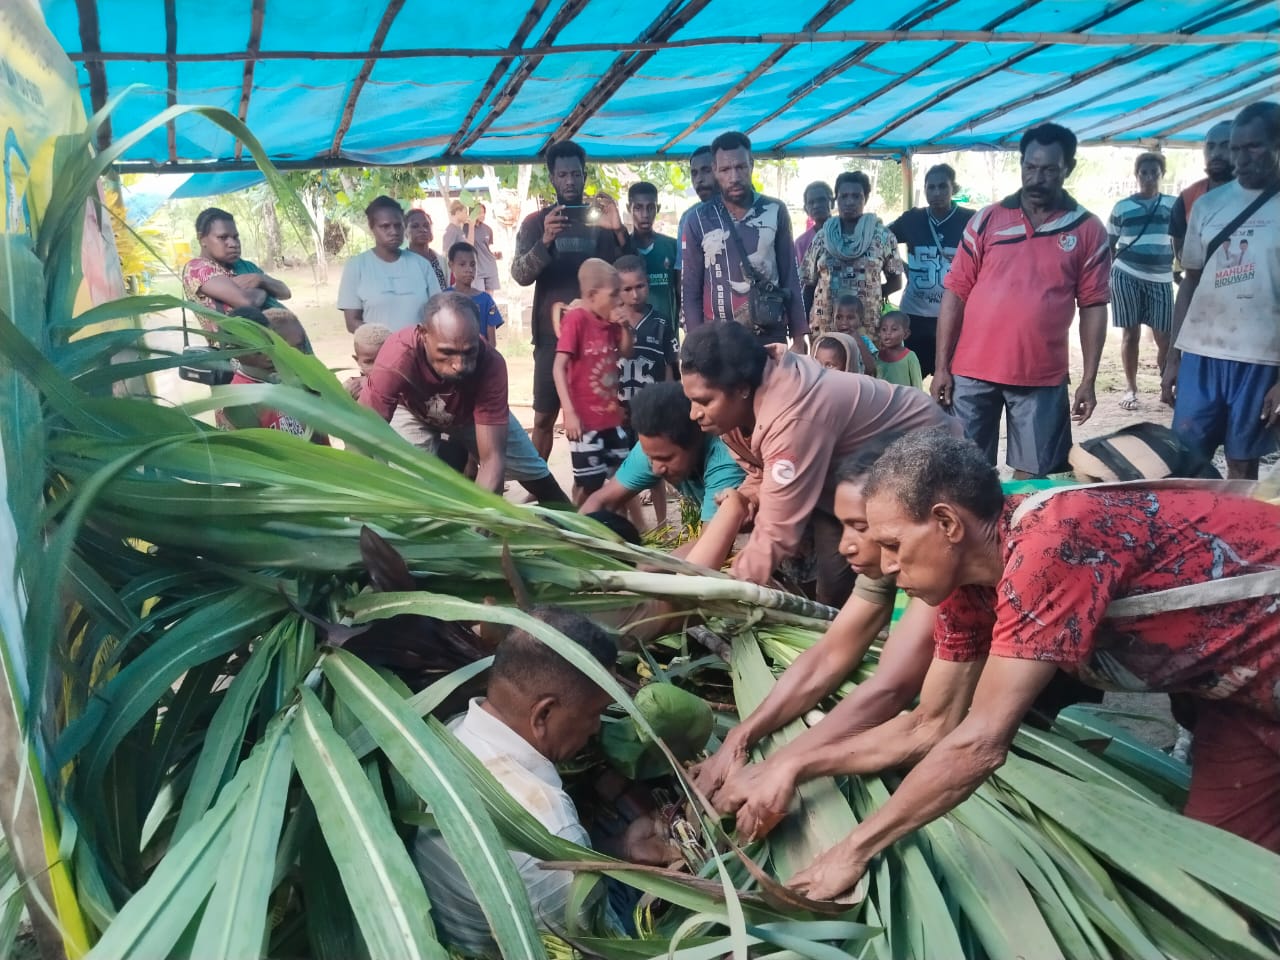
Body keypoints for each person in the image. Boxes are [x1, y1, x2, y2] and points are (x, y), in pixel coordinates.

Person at [774, 431, 1280, 902]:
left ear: (947, 523)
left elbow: (979, 743)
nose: (884, 565)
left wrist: (853, 849)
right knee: (1222, 886)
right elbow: (931, 725)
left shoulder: (1052, 543)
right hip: (1245, 701)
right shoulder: (967, 587)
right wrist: (793, 766)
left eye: (892, 545)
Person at [413, 608, 678, 956]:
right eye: (593, 713)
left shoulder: (451, 731)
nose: (597, 728)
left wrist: (618, 852)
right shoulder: (551, 832)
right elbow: (604, 945)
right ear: (544, 714)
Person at [679, 322, 956, 607]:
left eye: (703, 401)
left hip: (923, 458)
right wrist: (745, 499)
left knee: (915, 577)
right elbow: (763, 473)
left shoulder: (793, 416)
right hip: (840, 481)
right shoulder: (733, 413)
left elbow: (776, 531)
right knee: (837, 584)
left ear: (741, 389)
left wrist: (724, 597)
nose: (693, 414)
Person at [932, 122, 1111, 479]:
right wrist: (941, 367)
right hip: (971, 372)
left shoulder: (1087, 229)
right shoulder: (988, 219)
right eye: (1030, 167)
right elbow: (955, 294)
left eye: (1049, 169)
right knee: (965, 477)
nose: (1037, 178)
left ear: (1068, 169)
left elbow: (1093, 305)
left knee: (1035, 479)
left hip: (1041, 377)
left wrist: (1089, 378)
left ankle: (1020, 536)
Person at [1162, 101, 1280, 481]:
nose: (1240, 158)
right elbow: (1191, 281)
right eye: (1235, 147)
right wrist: (1174, 357)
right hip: (1201, 353)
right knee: (1186, 460)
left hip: (1262, 360)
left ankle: (1236, 537)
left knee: (1242, 463)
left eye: (1253, 147)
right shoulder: (1208, 206)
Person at [359, 292, 567, 503]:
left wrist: (484, 519)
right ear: (423, 334)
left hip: (470, 412)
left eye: (469, 352)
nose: (459, 364)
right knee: (410, 486)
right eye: (446, 352)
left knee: (534, 473)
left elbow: (492, 460)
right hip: (412, 410)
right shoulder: (398, 356)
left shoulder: (490, 364)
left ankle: (577, 524)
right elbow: (360, 432)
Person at [512, 140, 630, 461]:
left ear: (584, 175)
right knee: (543, 417)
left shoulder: (600, 220)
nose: (569, 181)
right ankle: (541, 491)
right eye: (562, 175)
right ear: (551, 178)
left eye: (575, 174)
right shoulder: (536, 223)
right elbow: (520, 274)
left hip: (599, 336)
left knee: (604, 411)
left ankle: (602, 485)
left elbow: (627, 270)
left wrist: (618, 229)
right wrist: (545, 241)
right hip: (552, 337)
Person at [681, 132, 808, 352]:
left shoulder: (774, 210)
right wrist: (695, 344)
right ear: (715, 171)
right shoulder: (698, 220)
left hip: (770, 335)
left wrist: (798, 336)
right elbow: (690, 288)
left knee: (773, 387)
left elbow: (790, 274)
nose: (734, 177)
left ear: (752, 164)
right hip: (719, 340)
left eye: (740, 167)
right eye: (725, 170)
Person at [581, 381, 745, 525]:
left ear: (695, 438)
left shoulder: (725, 459)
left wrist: (637, 562)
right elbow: (601, 501)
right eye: (650, 457)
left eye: (666, 458)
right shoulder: (655, 446)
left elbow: (709, 547)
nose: (656, 468)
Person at [554, 259, 635, 503]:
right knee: (588, 483)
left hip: (611, 418)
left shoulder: (610, 323)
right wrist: (569, 413)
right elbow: (559, 368)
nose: (617, 301)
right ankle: (580, 528)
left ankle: (616, 530)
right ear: (591, 295)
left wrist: (626, 328)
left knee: (621, 482)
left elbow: (626, 352)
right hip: (585, 422)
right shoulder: (577, 320)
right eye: (612, 295)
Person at [888, 164, 975, 377]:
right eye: (931, 187)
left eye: (943, 187)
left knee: (951, 383)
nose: (936, 193)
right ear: (924, 189)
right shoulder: (912, 219)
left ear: (953, 188)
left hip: (954, 316)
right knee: (909, 380)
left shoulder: (970, 219)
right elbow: (880, 240)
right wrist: (901, 265)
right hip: (913, 317)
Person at [1107, 152, 1176, 410]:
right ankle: (1131, 389)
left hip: (1161, 278)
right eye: (1143, 173)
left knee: (1165, 337)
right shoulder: (1122, 207)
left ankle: (1165, 385)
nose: (1148, 178)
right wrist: (1106, 278)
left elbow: (1183, 239)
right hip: (1127, 275)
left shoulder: (1173, 204)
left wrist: (1181, 268)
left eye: (1153, 173)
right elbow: (1108, 244)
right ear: (1136, 176)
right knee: (1130, 333)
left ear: (1162, 175)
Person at [801, 171, 903, 342]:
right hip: (825, 326)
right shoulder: (822, 237)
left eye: (856, 196)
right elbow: (810, 285)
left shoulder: (882, 237)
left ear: (866, 199)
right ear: (836, 200)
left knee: (865, 368)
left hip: (866, 328)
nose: (849, 202)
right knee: (825, 367)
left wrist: (867, 296)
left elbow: (896, 282)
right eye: (844, 196)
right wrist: (802, 325)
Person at [222, 306, 328, 444]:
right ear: (234, 351)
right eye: (257, 349)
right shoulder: (240, 403)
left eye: (270, 343)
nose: (268, 355)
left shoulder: (292, 380)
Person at [338, 196, 443, 334]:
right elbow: (352, 323)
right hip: (378, 353)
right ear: (372, 228)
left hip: (418, 351)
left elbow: (437, 313)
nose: (393, 231)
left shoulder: (422, 265)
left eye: (398, 225)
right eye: (385, 226)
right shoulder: (356, 266)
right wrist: (390, 343)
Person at [181, 207, 296, 332]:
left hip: (277, 343)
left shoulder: (245, 266)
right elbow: (248, 302)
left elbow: (285, 292)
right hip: (241, 348)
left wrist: (259, 279)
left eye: (235, 237)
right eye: (223, 237)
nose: (233, 243)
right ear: (202, 238)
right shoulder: (197, 268)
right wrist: (264, 290)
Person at [1170, 120, 1235, 263]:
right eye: (1210, 147)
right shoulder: (1188, 198)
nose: (1216, 154)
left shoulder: (1264, 195)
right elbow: (1181, 253)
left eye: (1226, 146)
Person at [627, 182, 680, 327]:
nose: (645, 215)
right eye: (638, 208)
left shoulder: (672, 246)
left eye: (650, 208)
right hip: (634, 335)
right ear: (628, 208)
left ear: (658, 208)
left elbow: (680, 291)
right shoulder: (624, 248)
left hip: (667, 333)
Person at [448, 241, 503, 346]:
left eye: (473, 264)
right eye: (462, 264)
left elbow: (492, 343)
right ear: (451, 265)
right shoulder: (444, 299)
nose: (469, 269)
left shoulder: (486, 300)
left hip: (480, 358)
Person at [677, 145, 718, 270]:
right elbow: (683, 270)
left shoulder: (747, 212)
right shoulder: (689, 218)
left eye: (706, 170)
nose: (699, 179)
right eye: (694, 173)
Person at [344, 322, 392, 401]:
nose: (376, 367)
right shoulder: (351, 388)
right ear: (357, 360)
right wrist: (347, 401)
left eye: (383, 359)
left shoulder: (405, 383)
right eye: (369, 362)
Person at [875, 312, 923, 389]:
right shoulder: (877, 357)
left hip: (905, 400)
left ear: (906, 334)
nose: (888, 333)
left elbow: (917, 385)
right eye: (884, 329)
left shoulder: (910, 357)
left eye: (894, 329)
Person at [406, 208, 448, 290]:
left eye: (426, 225)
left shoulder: (442, 262)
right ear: (405, 231)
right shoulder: (400, 262)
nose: (422, 230)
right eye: (415, 226)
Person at [794, 181, 833, 267]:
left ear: (832, 203)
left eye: (821, 200)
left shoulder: (849, 234)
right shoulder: (801, 243)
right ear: (806, 209)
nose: (816, 205)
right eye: (811, 202)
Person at [471, 203, 502, 293]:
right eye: (479, 212)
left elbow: (488, 248)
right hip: (477, 270)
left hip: (490, 268)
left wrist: (496, 255)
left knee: (489, 299)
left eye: (483, 212)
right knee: (479, 297)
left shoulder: (488, 229)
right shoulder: (466, 228)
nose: (482, 215)